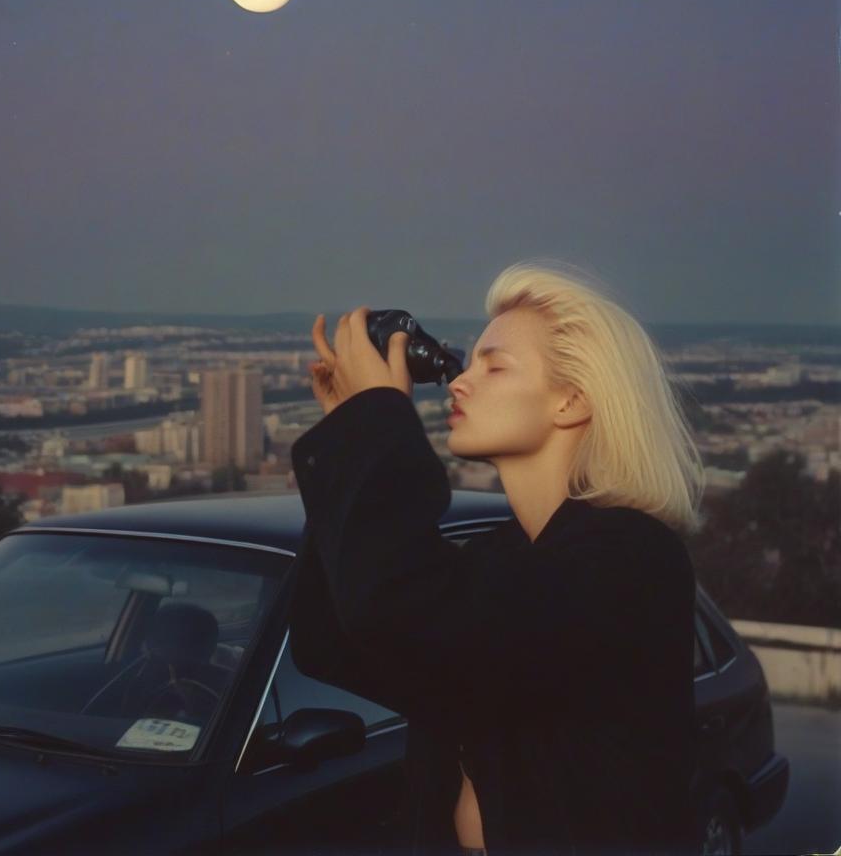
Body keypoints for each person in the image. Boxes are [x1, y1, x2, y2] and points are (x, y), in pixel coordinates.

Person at [288, 259, 705, 856]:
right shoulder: (500, 560)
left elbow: (403, 608)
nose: (459, 381)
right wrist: (347, 439)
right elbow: (332, 642)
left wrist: (376, 423)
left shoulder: (632, 560)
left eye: (496, 365)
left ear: (571, 402)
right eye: (471, 360)